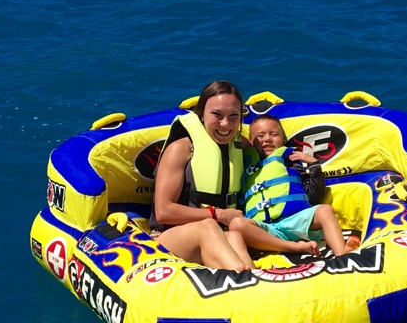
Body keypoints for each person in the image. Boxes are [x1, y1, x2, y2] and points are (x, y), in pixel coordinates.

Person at [152, 81, 316, 270]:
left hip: (218, 234)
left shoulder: (240, 146)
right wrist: (218, 214)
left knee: (234, 236)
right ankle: (243, 276)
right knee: (208, 227)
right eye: (217, 114)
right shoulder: (181, 149)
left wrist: (308, 165)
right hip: (171, 238)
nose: (225, 124)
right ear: (202, 114)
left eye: (233, 116)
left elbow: (271, 158)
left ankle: (251, 277)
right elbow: (163, 212)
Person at [240, 115, 359, 256]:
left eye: (274, 134)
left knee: (325, 210)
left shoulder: (291, 160)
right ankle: (293, 247)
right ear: (251, 142)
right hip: (265, 230)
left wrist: (314, 165)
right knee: (238, 224)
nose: (267, 139)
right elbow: (234, 138)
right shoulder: (243, 164)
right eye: (260, 135)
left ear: (283, 140)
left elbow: (313, 197)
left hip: (296, 222)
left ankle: (341, 254)